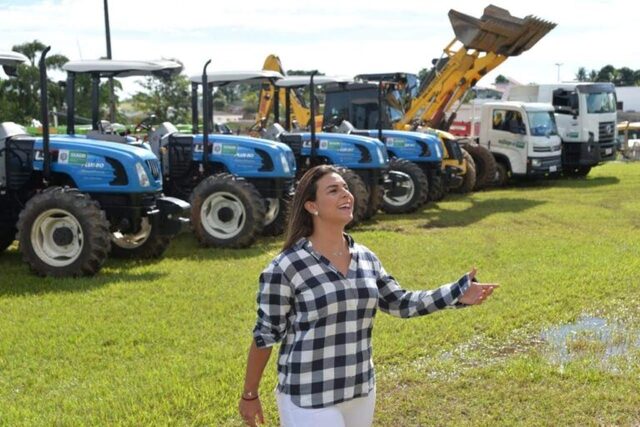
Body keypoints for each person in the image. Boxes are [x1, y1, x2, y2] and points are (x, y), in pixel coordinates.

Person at [238, 165, 498, 427]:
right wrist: (250, 394)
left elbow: (400, 303)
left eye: (346, 188)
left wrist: (456, 292)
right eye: (333, 190)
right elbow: (265, 335)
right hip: (310, 396)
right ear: (311, 206)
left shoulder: (366, 258)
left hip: (361, 390)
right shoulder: (286, 267)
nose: (346, 194)